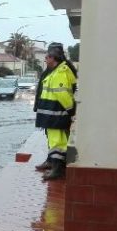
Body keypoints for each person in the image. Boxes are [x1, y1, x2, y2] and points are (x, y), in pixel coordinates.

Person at [33, 43, 77, 180]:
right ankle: (54, 164)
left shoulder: (60, 72)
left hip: (55, 114)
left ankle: (57, 169)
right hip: (51, 114)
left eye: (47, 56)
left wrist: (71, 111)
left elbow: (62, 95)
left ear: (54, 58)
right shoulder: (55, 71)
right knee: (56, 141)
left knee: (57, 142)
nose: (45, 59)